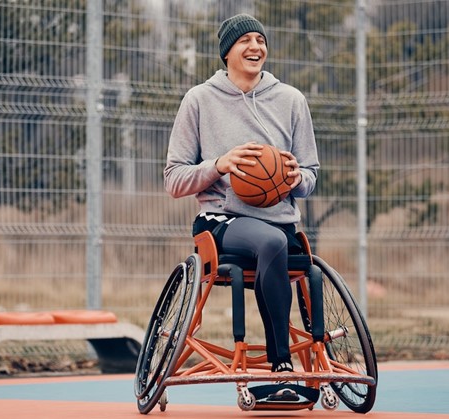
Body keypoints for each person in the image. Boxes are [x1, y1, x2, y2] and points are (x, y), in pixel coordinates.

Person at [164, 13, 320, 402]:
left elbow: (312, 175)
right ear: (227, 52)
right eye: (245, 41)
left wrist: (294, 177)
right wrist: (219, 164)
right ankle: (280, 366)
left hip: (281, 222)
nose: (256, 47)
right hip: (222, 222)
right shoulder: (199, 100)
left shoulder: (291, 100)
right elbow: (173, 179)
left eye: (260, 40)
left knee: (277, 240)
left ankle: (297, 364)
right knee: (270, 243)